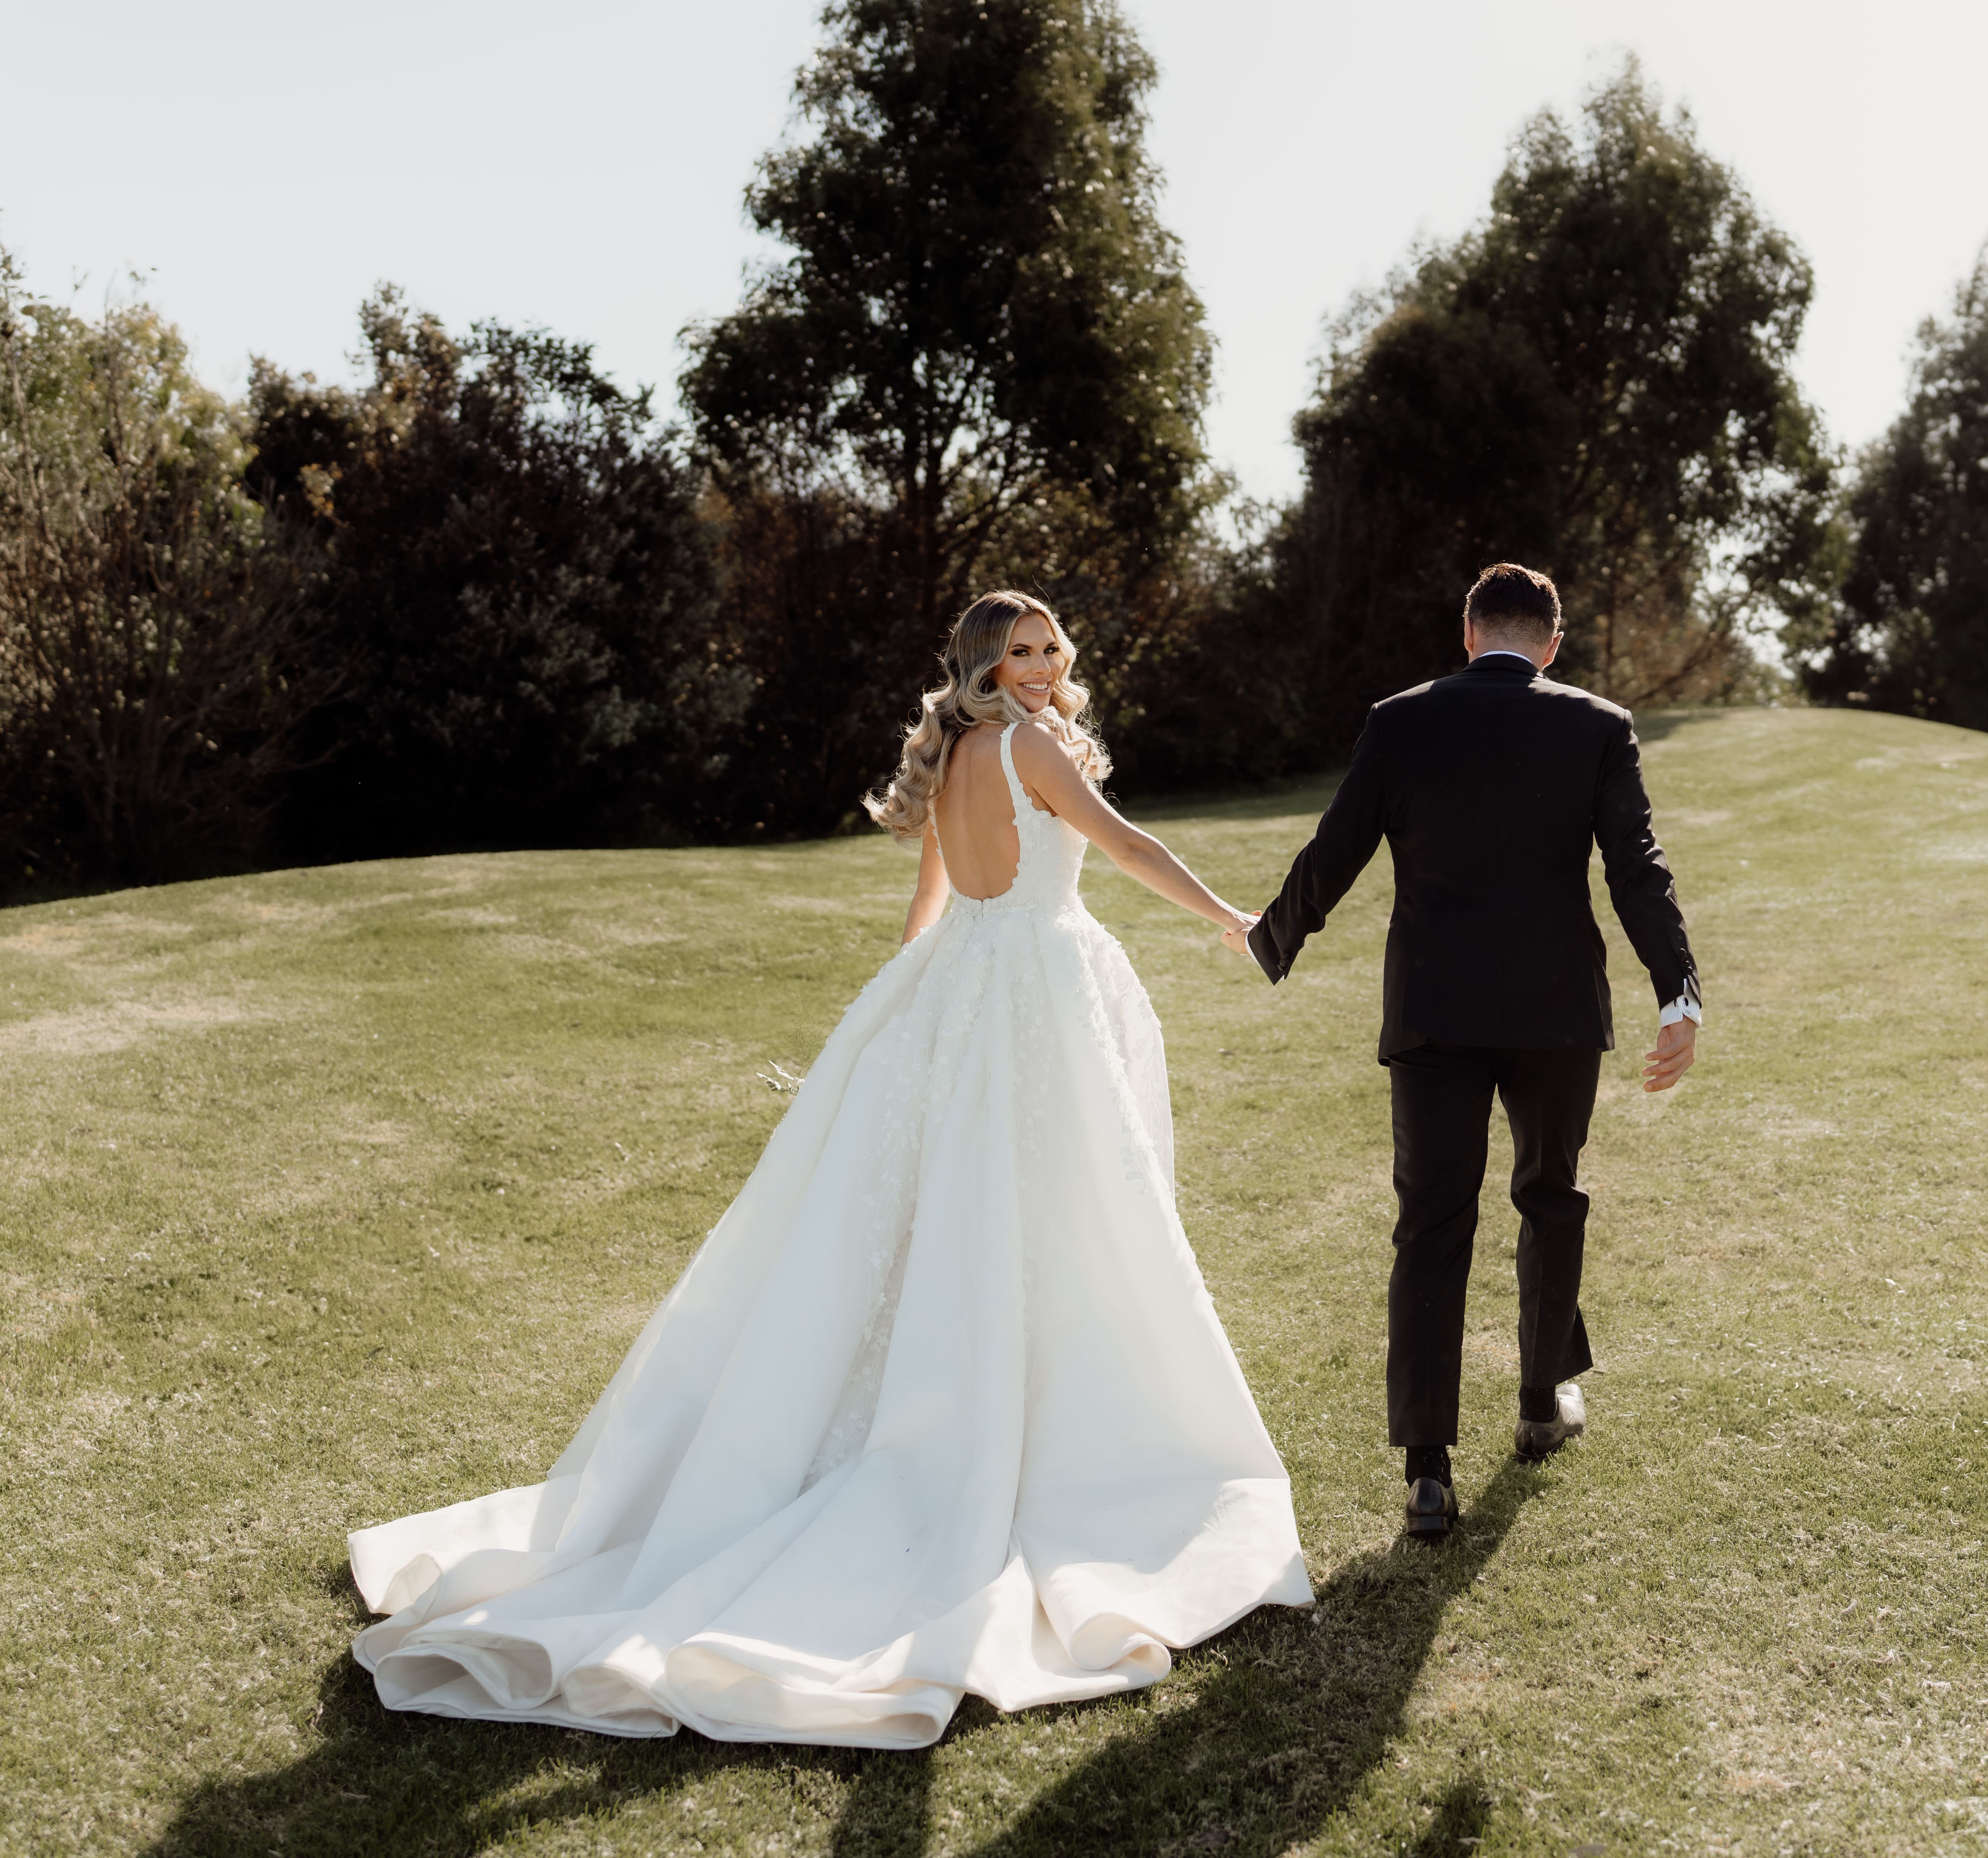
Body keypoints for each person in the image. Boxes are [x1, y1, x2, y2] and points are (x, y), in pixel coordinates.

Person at [347, 590, 1311, 1749]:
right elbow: (1119, 844)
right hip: (1034, 994)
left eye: (1051, 647)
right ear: (981, 666)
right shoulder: (1029, 746)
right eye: (1019, 651)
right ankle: (1034, 1435)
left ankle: (970, 1397)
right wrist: (1227, 915)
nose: (1044, 664)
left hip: (964, 987)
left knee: (969, 1222)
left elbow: (930, 904)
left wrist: (910, 1014)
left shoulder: (960, 749)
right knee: (1065, 1223)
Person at [1243, 563, 1700, 1540]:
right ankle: (1539, 1406)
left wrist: (1270, 936)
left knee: (1431, 1226)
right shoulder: (1597, 725)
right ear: (1552, 641)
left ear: (1466, 633)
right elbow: (1637, 867)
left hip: (1433, 1014)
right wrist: (1678, 990)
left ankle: (1426, 1474)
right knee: (1549, 1195)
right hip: (1554, 1013)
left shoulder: (1399, 720)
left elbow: (1335, 848)